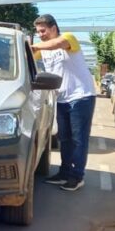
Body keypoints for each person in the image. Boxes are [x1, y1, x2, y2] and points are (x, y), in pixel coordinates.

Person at [33, 14, 95, 191]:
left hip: (81, 97)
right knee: (64, 139)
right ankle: (64, 172)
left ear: (54, 28)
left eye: (43, 31)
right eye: (38, 32)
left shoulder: (68, 39)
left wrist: (34, 45)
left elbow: (56, 44)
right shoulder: (42, 49)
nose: (41, 35)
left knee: (78, 139)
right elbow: (28, 56)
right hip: (62, 99)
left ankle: (77, 176)